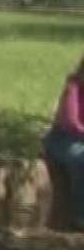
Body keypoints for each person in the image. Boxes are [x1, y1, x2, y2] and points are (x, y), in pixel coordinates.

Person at [45, 55, 84, 231]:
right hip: (65, 139)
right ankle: (79, 215)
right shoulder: (73, 89)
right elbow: (71, 123)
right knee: (80, 160)